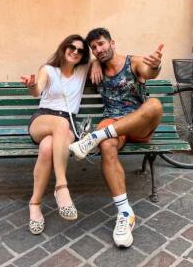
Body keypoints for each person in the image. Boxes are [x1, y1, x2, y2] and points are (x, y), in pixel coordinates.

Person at [69, 28, 164, 248]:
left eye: (101, 44)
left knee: (155, 105)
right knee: (107, 146)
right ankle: (125, 213)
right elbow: (68, 63)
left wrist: (156, 64)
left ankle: (95, 136)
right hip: (111, 121)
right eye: (94, 48)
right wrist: (93, 63)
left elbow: (149, 71)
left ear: (112, 42)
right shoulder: (96, 67)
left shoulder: (134, 62)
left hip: (138, 124)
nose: (98, 50)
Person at [20, 34, 101, 235]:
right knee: (60, 123)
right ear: (64, 48)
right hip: (43, 119)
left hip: (67, 125)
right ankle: (61, 186)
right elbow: (37, 90)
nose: (75, 52)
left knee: (47, 148)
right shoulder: (48, 70)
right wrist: (31, 85)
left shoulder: (82, 70)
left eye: (80, 50)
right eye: (71, 47)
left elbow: (101, 56)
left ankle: (35, 204)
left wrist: (96, 63)